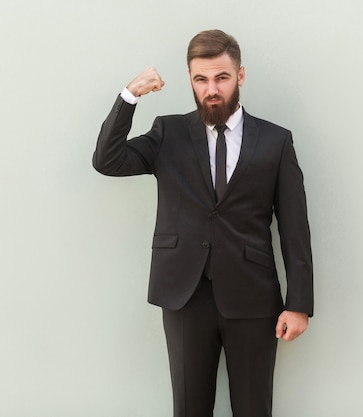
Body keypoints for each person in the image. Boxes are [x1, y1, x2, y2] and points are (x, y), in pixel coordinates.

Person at [92, 29, 313, 417]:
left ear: (239, 76)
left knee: (253, 408)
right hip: (184, 295)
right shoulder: (168, 133)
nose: (212, 89)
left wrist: (299, 304)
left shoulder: (276, 141)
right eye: (201, 79)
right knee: (189, 408)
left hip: (253, 297)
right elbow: (107, 162)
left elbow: (295, 227)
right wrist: (130, 95)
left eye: (222, 78)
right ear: (191, 80)